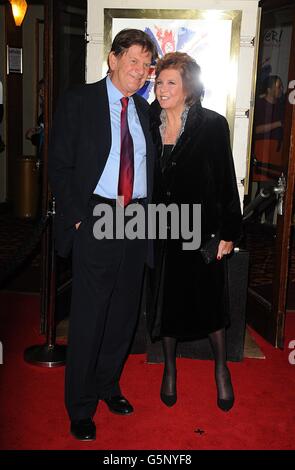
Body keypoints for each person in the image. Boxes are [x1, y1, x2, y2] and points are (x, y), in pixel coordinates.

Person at [49, 29, 158, 441]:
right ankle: (80, 406)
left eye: (146, 64)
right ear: (112, 60)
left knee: (123, 314)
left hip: (139, 219)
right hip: (97, 216)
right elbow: (59, 165)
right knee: (91, 317)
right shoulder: (79, 101)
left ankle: (108, 386)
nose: (141, 71)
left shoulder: (144, 110)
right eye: (133, 61)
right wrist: (79, 220)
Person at [149, 52, 242, 411]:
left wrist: (228, 233)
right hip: (159, 231)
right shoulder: (148, 124)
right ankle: (169, 369)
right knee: (166, 304)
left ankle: (221, 370)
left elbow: (225, 183)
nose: (162, 88)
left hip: (200, 232)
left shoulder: (213, 125)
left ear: (189, 87)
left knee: (210, 305)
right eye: (158, 82)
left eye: (170, 82)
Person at [252, 75, 285, 224]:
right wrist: (277, 124)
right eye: (278, 87)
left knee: (275, 187)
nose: (281, 90)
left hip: (276, 150)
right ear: (270, 89)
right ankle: (254, 220)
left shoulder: (280, 105)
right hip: (263, 148)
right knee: (266, 187)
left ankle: (268, 223)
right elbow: (256, 129)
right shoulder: (260, 104)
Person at [25, 78, 45, 160]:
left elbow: (46, 138)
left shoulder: (52, 112)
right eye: (39, 90)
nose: (40, 93)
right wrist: (37, 130)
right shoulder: (42, 116)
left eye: (43, 90)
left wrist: (32, 137)